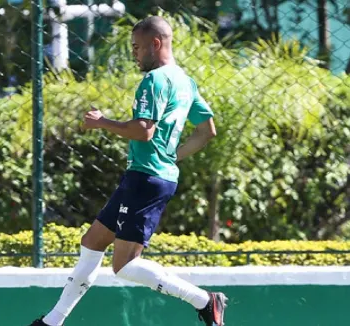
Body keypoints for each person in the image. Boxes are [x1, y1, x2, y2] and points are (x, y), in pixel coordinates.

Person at [29, 15, 227, 326]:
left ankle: (204, 300)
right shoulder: (184, 80)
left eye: (136, 47)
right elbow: (206, 131)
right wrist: (171, 158)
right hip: (150, 176)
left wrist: (102, 122)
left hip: (145, 179)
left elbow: (143, 130)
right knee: (92, 242)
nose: (133, 53)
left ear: (156, 44)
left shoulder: (154, 80)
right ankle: (53, 321)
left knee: (124, 265)